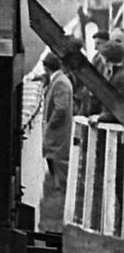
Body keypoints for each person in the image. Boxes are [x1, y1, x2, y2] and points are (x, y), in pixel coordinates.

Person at [40, 52, 73, 191]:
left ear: (46, 67)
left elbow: (61, 108)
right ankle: (59, 188)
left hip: (58, 130)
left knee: (58, 160)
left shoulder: (59, 82)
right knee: (54, 158)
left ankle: (62, 190)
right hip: (58, 129)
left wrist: (50, 125)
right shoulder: (58, 79)